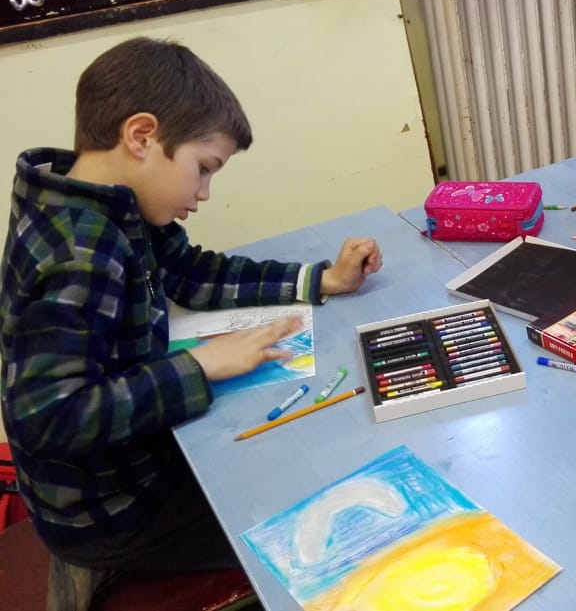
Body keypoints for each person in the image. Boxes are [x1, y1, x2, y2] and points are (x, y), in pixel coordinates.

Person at [0, 37, 384, 609]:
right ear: (141, 136)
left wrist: (322, 280)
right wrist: (199, 367)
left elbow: (192, 273)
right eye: (203, 169)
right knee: (319, 512)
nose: (204, 193)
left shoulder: (106, 202)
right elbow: (48, 419)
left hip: (129, 461)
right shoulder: (82, 252)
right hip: (111, 513)